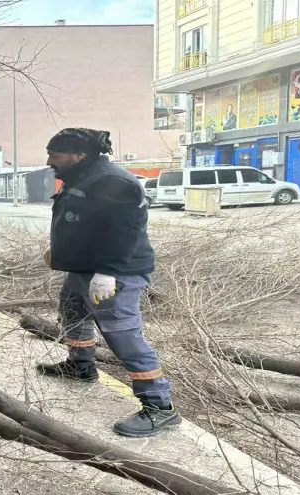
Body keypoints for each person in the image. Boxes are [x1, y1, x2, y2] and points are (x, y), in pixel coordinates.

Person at [38, 128, 180, 437]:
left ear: (79, 155)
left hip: (116, 271)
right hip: (85, 268)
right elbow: (83, 222)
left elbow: (124, 230)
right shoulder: (83, 176)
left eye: (56, 156)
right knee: (73, 311)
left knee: (122, 333)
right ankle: (81, 366)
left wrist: (108, 271)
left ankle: (159, 406)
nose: (50, 161)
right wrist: (59, 250)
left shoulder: (114, 182)